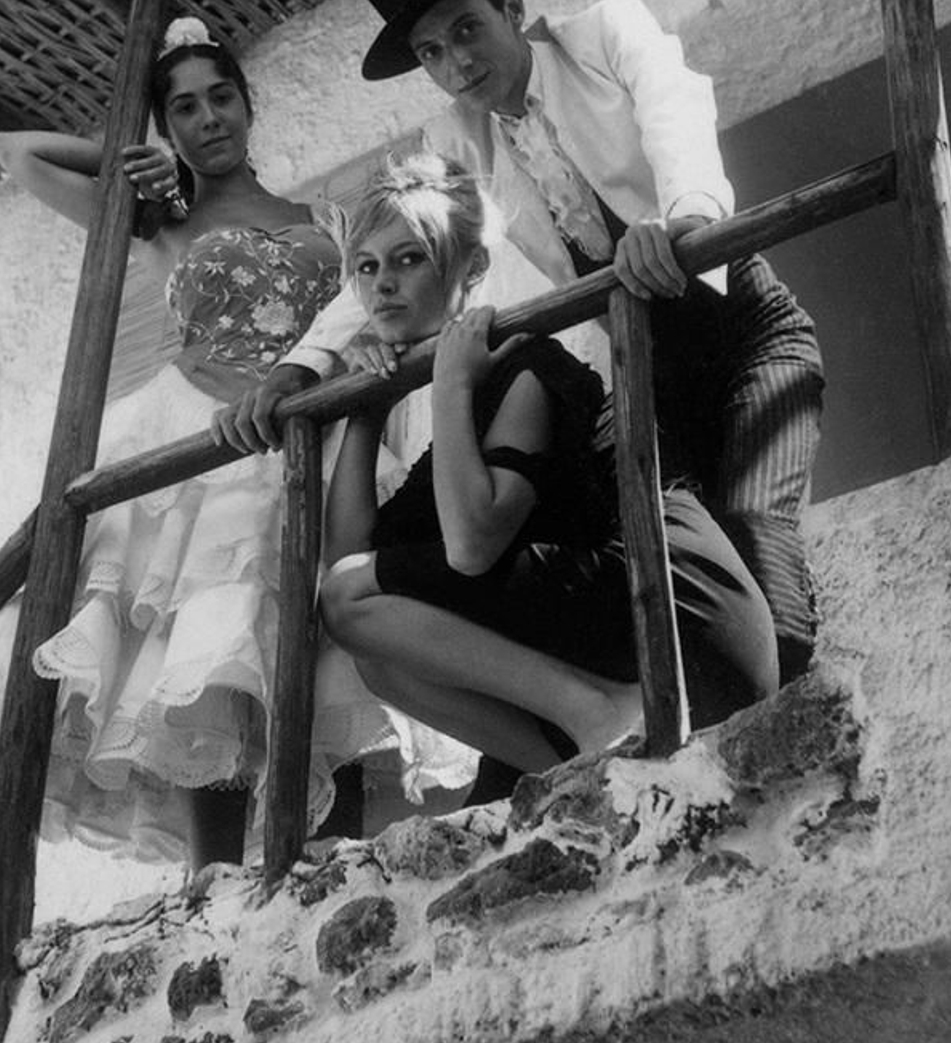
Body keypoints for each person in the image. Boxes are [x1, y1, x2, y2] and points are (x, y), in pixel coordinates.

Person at [0, 19, 471, 870]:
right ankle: (210, 881)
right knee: (204, 656)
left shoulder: (321, 217)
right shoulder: (153, 219)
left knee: (325, 649)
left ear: (249, 107)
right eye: (183, 109)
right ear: (165, 127)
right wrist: (128, 159)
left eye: (220, 98)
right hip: (203, 437)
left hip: (308, 437)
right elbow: (14, 151)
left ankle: (336, 865)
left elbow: (372, 305)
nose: (208, 119)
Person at [216, 0, 825, 687]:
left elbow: (677, 109)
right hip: (649, 373)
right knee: (686, 572)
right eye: (432, 51)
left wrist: (686, 221)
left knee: (759, 544)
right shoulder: (457, 137)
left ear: (511, 6)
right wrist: (303, 365)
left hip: (746, 332)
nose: (457, 62)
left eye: (467, 29)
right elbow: (397, 239)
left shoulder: (604, 32)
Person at [318, 153, 778, 769]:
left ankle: (599, 713)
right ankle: (567, 771)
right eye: (367, 267)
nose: (383, 284)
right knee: (377, 654)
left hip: (678, 614)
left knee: (354, 594)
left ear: (473, 266)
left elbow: (472, 547)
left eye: (409, 258)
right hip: (621, 637)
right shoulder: (461, 414)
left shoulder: (528, 362)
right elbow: (348, 565)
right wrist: (368, 410)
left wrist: (450, 384)